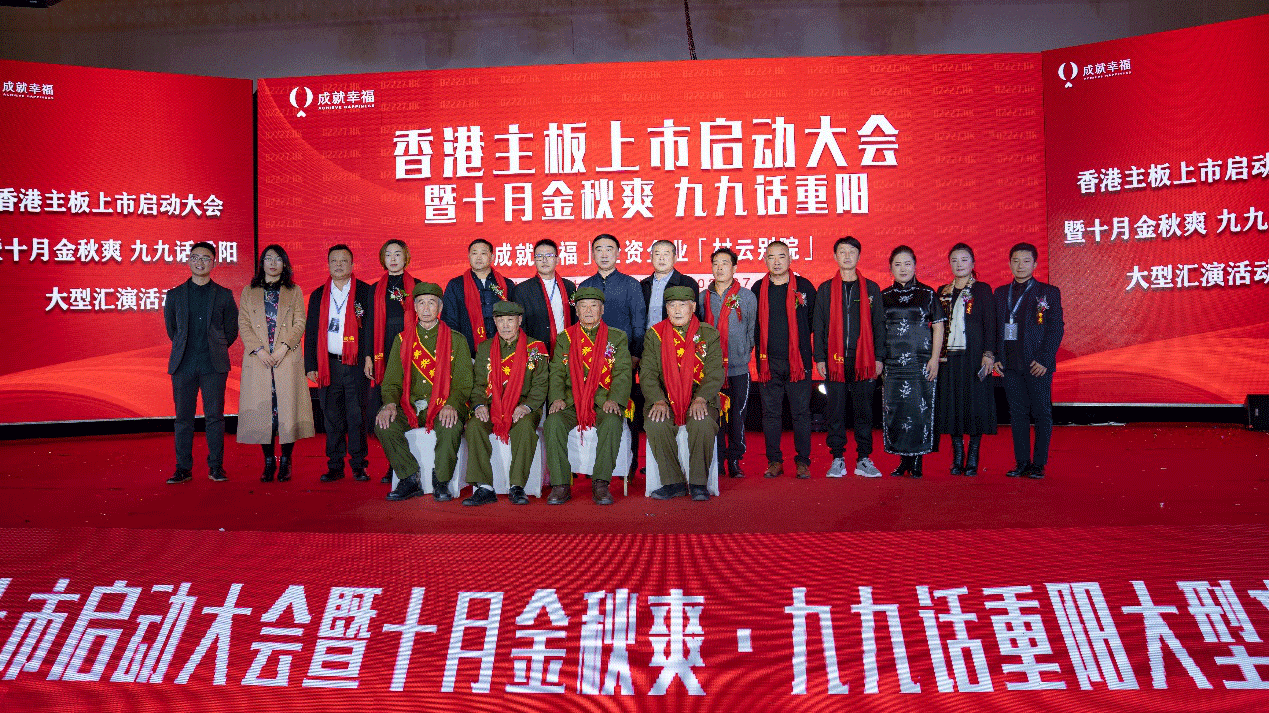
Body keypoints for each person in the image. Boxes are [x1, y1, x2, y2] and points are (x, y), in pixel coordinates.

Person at [376, 282, 474, 501]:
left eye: (431, 303)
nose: (426, 308)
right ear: (415, 308)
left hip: (442, 405)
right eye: (421, 303)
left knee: (450, 425)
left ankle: (441, 481)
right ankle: (409, 477)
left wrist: (452, 405)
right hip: (409, 406)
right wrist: (389, 403)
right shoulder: (402, 340)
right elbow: (391, 382)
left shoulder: (456, 340)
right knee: (384, 424)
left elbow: (464, 383)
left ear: (440, 307)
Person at [542, 287, 633, 506]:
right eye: (583, 306)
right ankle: (560, 484)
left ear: (602, 310)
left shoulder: (617, 337)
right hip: (571, 400)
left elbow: (622, 372)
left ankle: (601, 483)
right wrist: (557, 398)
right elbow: (556, 372)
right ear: (577, 311)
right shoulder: (565, 338)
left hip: (603, 400)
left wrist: (615, 399)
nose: (589, 310)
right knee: (553, 423)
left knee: (612, 422)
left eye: (594, 306)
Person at [236, 245, 314, 483]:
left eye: (278, 259)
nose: (272, 263)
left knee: (287, 411)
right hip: (259, 360)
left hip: (285, 358)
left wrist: (283, 348)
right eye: (268, 259)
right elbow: (244, 323)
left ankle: (286, 460)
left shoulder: (294, 291)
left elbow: (300, 322)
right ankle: (268, 461)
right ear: (262, 263)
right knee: (264, 412)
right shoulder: (249, 291)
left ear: (284, 264)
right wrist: (259, 350)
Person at [164, 241, 238, 484]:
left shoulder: (224, 295)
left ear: (213, 263)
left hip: (213, 365)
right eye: (195, 257)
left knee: (215, 418)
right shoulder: (175, 295)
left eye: (205, 258)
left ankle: (216, 467)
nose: (200, 262)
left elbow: (231, 330)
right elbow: (172, 330)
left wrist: (216, 346)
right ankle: (182, 468)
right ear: (189, 261)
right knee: (183, 419)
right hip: (183, 364)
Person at [462, 301, 550, 506]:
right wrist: (479, 406)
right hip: (492, 406)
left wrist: (527, 406)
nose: (505, 325)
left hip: (524, 406)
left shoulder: (535, 348)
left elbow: (540, 385)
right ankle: (484, 487)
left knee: (525, 428)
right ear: (494, 322)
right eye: (500, 321)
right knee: (474, 426)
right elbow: (478, 384)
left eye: (510, 320)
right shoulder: (485, 348)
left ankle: (517, 486)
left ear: (519, 321)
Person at [813, 236, 886, 479]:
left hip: (864, 360)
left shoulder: (871, 288)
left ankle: (864, 458)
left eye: (851, 251)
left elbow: (879, 325)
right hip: (834, 361)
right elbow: (819, 325)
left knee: (864, 411)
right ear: (835, 256)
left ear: (859, 256)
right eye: (842, 252)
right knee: (835, 411)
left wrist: (879, 357)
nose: (847, 256)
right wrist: (820, 357)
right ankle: (838, 458)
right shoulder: (825, 289)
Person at [643, 286, 724, 501]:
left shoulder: (708, 334)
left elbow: (715, 373)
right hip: (665, 399)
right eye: (672, 305)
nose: (677, 310)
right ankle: (674, 483)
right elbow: (648, 373)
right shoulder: (655, 335)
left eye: (683, 305)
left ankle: (698, 484)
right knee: (656, 423)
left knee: (702, 422)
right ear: (666, 308)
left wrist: (701, 398)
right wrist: (658, 400)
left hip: (700, 398)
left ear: (693, 307)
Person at [993, 242, 1064, 479]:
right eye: (1015, 261)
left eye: (1025, 261)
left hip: (1037, 365)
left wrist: (1044, 359)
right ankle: (1022, 462)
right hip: (1010, 364)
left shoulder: (1048, 292)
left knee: (1042, 413)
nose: (1020, 265)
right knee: (1017, 414)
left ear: (1035, 264)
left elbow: (1056, 328)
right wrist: (996, 356)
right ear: (1009, 264)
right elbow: (994, 328)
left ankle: (1039, 464)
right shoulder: (1000, 293)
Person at [304, 244, 373, 483]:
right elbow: (311, 331)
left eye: (344, 260)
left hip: (356, 365)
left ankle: (359, 465)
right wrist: (311, 364)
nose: (339, 265)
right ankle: (334, 465)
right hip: (328, 364)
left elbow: (370, 330)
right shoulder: (318, 295)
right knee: (331, 416)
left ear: (352, 265)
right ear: (328, 265)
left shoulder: (365, 292)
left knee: (357, 416)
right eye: (334, 261)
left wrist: (369, 358)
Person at [750, 241, 817, 479]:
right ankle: (774, 461)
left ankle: (803, 462)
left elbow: (813, 322)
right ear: (765, 260)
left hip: (798, 363)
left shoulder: (804, 287)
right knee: (770, 414)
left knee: (801, 413)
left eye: (781, 256)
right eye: (771, 257)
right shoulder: (758, 289)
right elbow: (754, 324)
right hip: (769, 363)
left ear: (790, 259)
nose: (776, 262)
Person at [634, 240, 699, 475]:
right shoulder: (643, 285)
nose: (661, 258)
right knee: (653, 404)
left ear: (675, 256)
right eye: (657, 254)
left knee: (677, 403)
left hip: (678, 353)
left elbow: (696, 321)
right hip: (649, 350)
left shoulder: (687, 283)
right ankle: (654, 461)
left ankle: (681, 461)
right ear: (650, 257)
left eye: (666, 253)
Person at [880, 246, 945, 478]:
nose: (903, 269)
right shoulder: (884, 296)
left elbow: (938, 326)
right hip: (893, 364)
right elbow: (877, 330)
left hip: (920, 362)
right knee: (896, 410)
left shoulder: (927, 294)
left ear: (915, 266)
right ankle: (903, 461)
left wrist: (935, 358)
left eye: (907, 264)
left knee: (919, 411)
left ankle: (917, 460)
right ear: (890, 268)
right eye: (897, 264)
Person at [935, 243, 997, 476]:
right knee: (952, 404)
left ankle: (972, 457)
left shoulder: (982, 289)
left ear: (973, 263)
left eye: (963, 259)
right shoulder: (942, 291)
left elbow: (991, 324)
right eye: (954, 260)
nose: (959, 264)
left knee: (975, 404)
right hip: (949, 358)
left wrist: (989, 354)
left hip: (974, 356)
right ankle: (957, 456)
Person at [698, 247, 757, 478]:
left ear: (734, 267)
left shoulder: (747, 297)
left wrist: (743, 353)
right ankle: (717, 459)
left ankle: (734, 460)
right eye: (715, 264)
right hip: (711, 370)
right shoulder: (703, 297)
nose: (719, 268)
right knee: (715, 417)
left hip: (738, 368)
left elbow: (751, 330)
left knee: (736, 417)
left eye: (725, 263)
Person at [364, 239, 419, 483]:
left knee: (407, 404)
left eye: (398, 254)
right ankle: (392, 464)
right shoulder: (374, 289)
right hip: (383, 351)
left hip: (411, 350)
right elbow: (369, 325)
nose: (393, 259)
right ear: (383, 259)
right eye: (389, 254)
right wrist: (368, 356)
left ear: (406, 257)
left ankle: (407, 460)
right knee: (386, 405)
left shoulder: (417, 286)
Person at [443, 238, 514, 357]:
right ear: (469, 257)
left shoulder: (507, 285)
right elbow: (449, 321)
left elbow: (516, 319)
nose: (479, 257)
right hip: (467, 353)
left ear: (492, 257)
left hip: (502, 352)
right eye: (474, 253)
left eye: (483, 253)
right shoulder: (456, 285)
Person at [510, 238, 575, 355]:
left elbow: (575, 320)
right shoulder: (522, 290)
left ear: (557, 260)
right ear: (534, 260)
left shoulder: (569, 287)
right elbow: (519, 326)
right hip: (535, 352)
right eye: (539, 256)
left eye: (549, 255)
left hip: (565, 350)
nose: (544, 260)